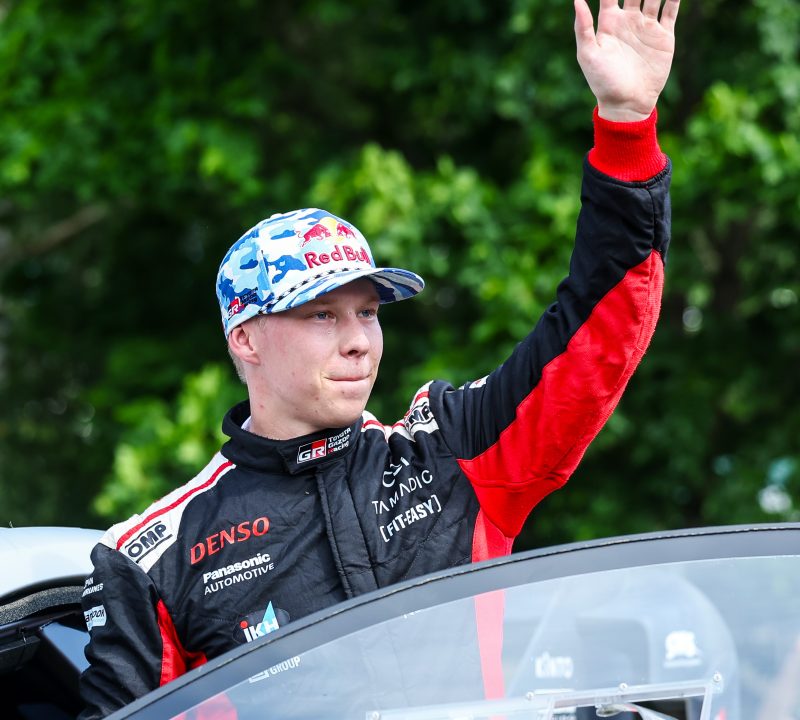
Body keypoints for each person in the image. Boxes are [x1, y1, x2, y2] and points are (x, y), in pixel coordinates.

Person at [78, 0, 681, 716]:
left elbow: (599, 327)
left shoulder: (451, 451)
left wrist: (626, 124)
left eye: (367, 311)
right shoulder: (151, 556)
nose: (359, 339)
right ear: (245, 339)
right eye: (321, 315)